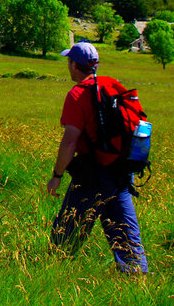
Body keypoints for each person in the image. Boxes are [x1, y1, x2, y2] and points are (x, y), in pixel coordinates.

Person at [46, 42, 149, 273]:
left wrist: (57, 176)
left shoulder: (78, 94)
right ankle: (137, 278)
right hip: (121, 171)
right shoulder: (112, 85)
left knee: (66, 232)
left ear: (74, 65)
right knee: (126, 237)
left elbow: (70, 141)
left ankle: (52, 272)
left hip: (93, 174)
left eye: (68, 62)